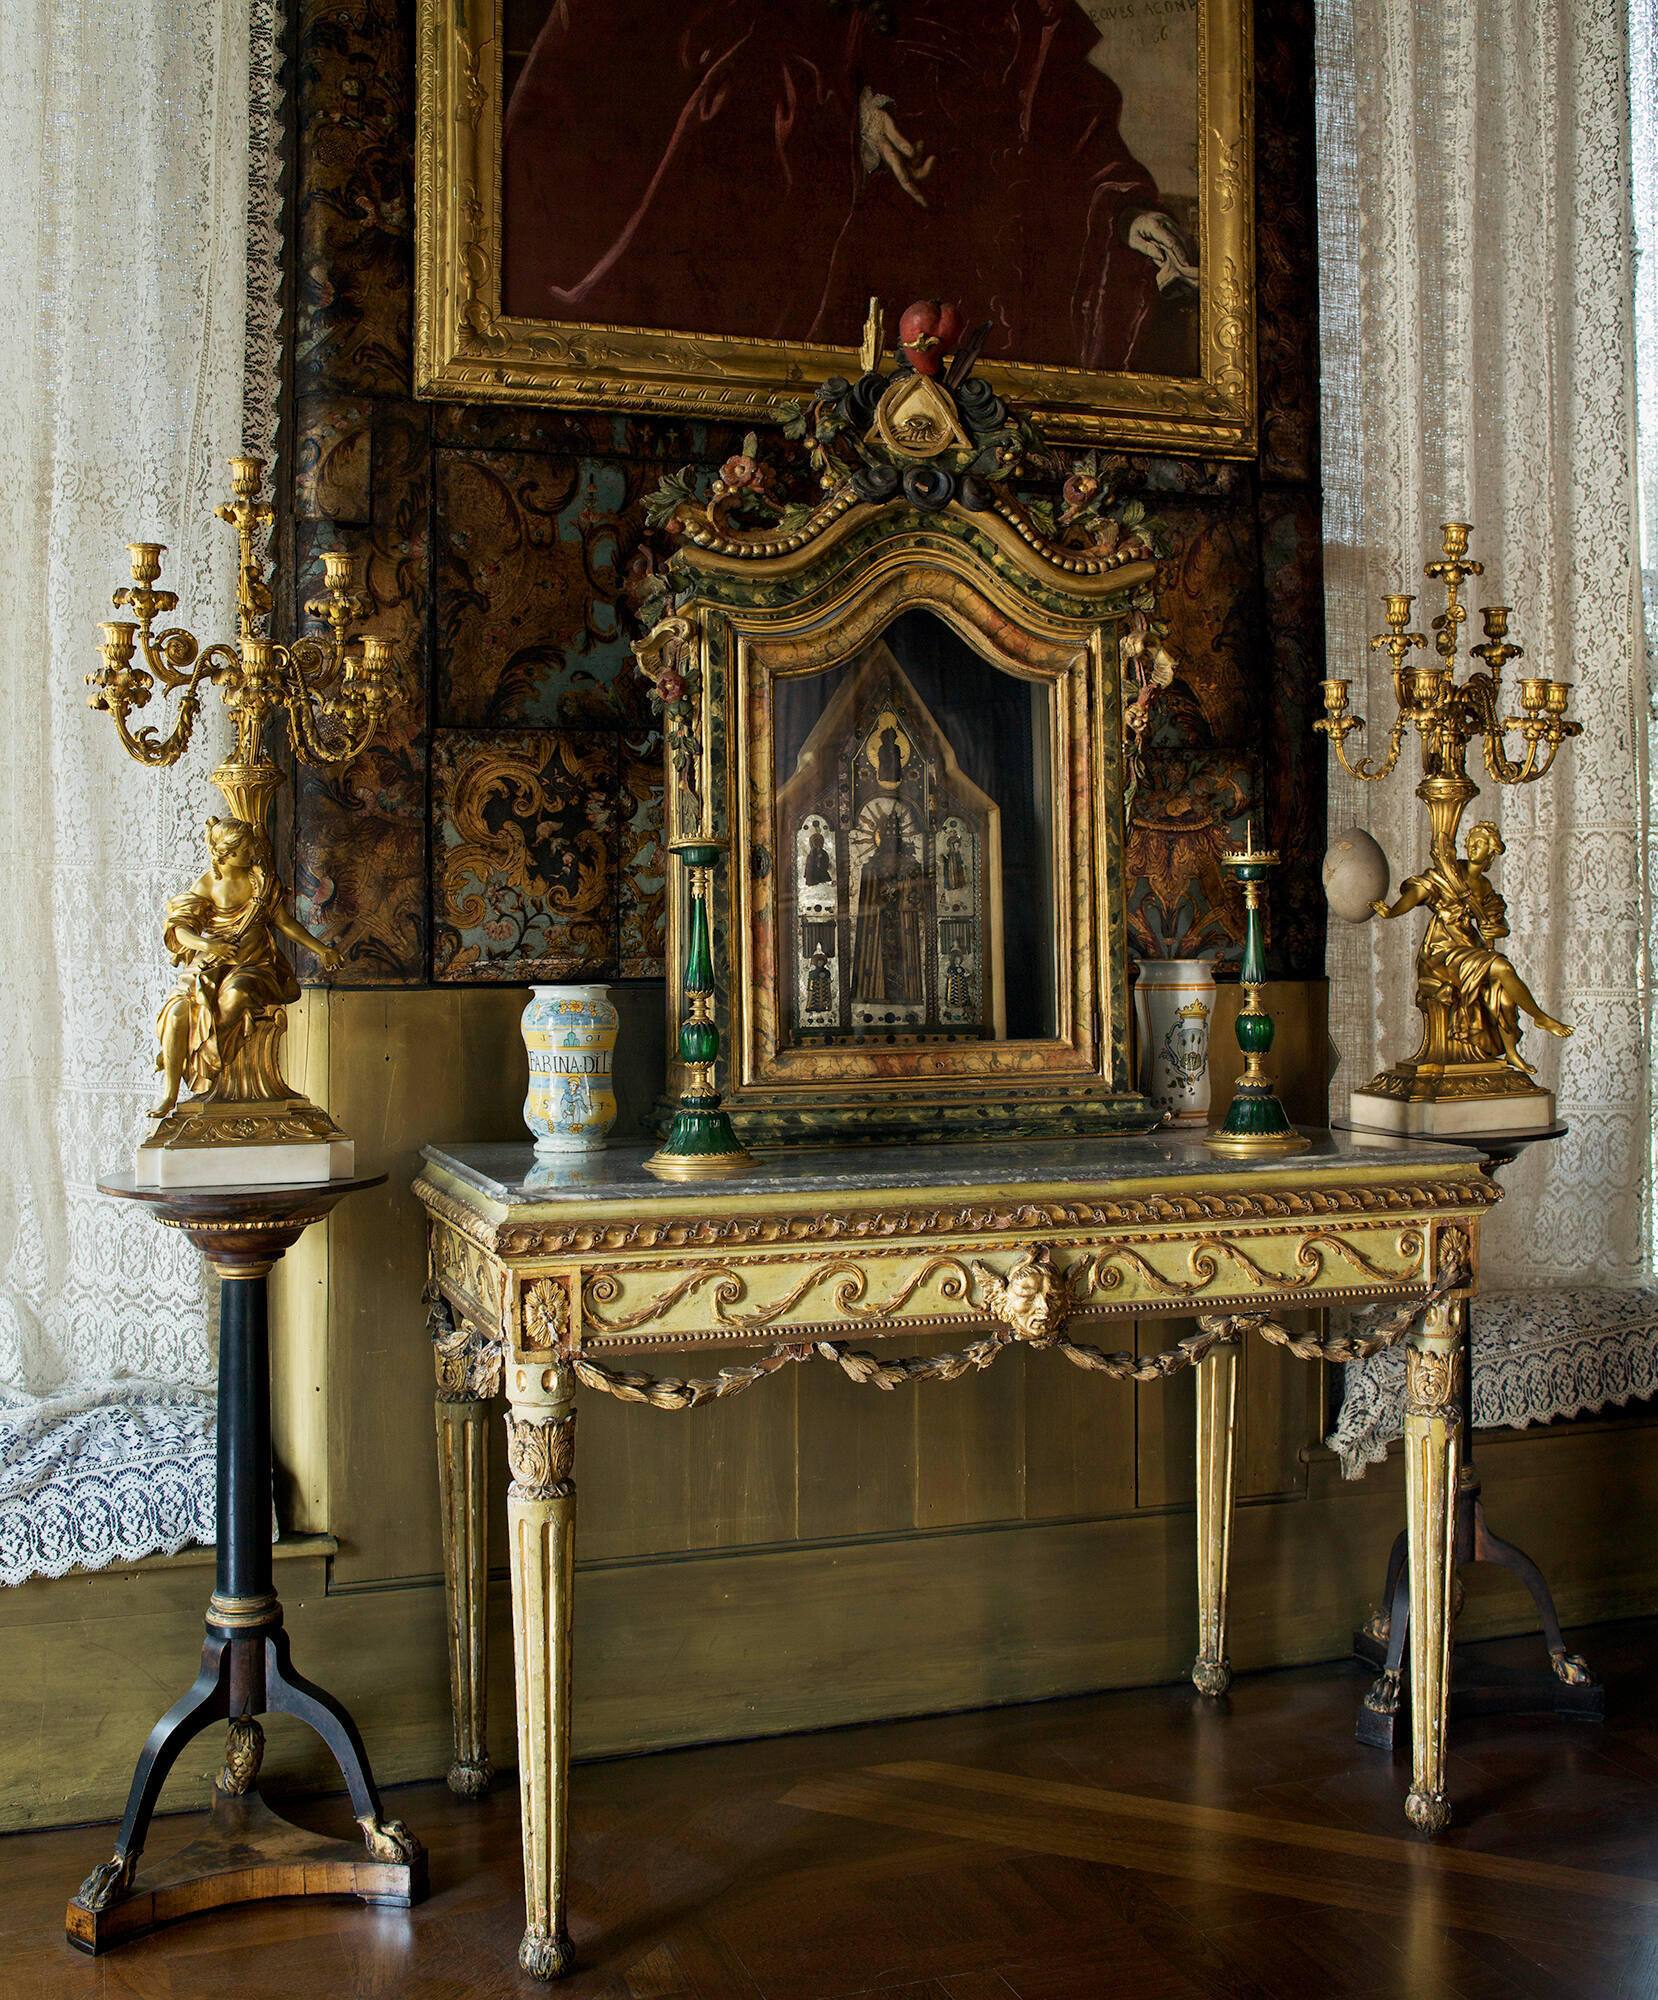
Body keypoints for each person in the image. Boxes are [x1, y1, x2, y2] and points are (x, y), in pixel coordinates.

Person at [501, 0, 1188, 375]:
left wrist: (1118, 208)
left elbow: (1051, 108)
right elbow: (702, 51)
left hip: (965, 287)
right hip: (819, 279)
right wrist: (839, 114)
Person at [153, 817, 342, 1116]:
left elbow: (284, 923)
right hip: (211, 964)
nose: (252, 852)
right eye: (244, 849)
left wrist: (322, 950)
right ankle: (170, 1092)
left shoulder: (262, 882)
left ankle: (205, 1055)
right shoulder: (207, 884)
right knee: (177, 1013)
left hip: (255, 962)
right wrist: (209, 945)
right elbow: (179, 930)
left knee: (236, 995)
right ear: (225, 853)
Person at [1372, 820, 1571, 1073]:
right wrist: (1391, 911)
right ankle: (1539, 1017)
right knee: (1501, 966)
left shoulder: (1484, 886)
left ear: (1492, 850)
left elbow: (1500, 923)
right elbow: (1418, 893)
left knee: (1501, 989)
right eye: (1471, 842)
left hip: (1469, 949)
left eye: (1480, 843)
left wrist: (1495, 929)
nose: (1472, 846)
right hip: (1441, 952)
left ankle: (1511, 1052)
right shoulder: (1450, 874)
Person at [851, 805, 925, 1004]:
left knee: (903, 957)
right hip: (878, 921)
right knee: (877, 957)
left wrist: (902, 886)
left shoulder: (911, 865)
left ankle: (908, 995)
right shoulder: (871, 866)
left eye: (895, 840)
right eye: (888, 840)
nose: (891, 845)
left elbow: (915, 896)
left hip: (902, 919)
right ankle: (873, 994)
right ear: (880, 839)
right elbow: (867, 899)